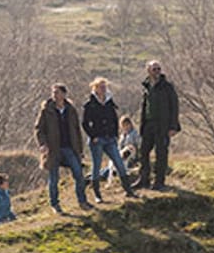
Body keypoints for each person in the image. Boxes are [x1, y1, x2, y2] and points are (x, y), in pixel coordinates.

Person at [34, 83, 93, 214]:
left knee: (78, 174)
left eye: (57, 92)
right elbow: (39, 129)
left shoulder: (71, 110)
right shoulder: (46, 110)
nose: (54, 95)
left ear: (64, 94)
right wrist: (42, 144)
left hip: (69, 148)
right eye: (53, 92)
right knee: (54, 178)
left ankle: (82, 201)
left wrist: (80, 150)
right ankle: (55, 204)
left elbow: (76, 130)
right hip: (53, 150)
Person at [82, 77, 137, 202]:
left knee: (119, 163)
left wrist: (115, 134)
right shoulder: (90, 104)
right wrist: (93, 136)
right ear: (95, 88)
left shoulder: (109, 101)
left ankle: (128, 191)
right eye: (101, 86)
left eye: (104, 86)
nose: (103, 88)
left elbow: (114, 118)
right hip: (97, 139)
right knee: (96, 166)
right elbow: (85, 123)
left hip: (110, 138)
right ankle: (97, 195)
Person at [132, 60, 181, 191]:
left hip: (163, 125)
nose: (157, 71)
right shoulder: (146, 86)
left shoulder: (167, 87)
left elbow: (174, 106)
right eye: (154, 69)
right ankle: (144, 179)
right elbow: (144, 107)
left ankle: (159, 182)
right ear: (148, 71)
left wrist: (173, 126)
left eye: (159, 69)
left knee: (161, 153)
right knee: (143, 152)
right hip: (148, 124)